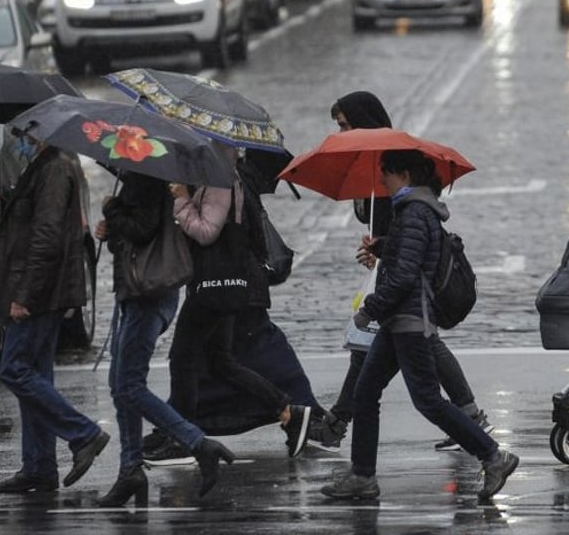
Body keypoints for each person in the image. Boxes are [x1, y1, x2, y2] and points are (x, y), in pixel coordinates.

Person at [321, 149, 519, 503]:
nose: (382, 180)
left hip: (409, 320)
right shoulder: (414, 211)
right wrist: (384, 247)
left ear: (406, 176)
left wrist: (369, 309)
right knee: (365, 394)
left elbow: (405, 276)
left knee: (427, 400)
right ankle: (362, 476)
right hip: (400, 320)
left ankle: (493, 455)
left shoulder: (413, 213)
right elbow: (411, 258)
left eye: (387, 174)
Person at [319, 91, 493, 453]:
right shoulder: (378, 173)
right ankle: (471, 423)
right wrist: (381, 248)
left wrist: (374, 297)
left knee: (417, 385)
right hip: (400, 288)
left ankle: (486, 447)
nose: (341, 131)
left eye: (345, 125)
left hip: (405, 292)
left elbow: (407, 245)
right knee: (391, 367)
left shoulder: (398, 182)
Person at [156, 144, 312, 463]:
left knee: (182, 359)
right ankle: (288, 411)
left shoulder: (219, 180)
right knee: (220, 362)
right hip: (225, 286)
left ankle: (182, 437)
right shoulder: (223, 175)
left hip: (214, 285)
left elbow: (206, 233)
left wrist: (182, 199)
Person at [96, 171, 234, 505]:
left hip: (149, 292)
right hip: (137, 290)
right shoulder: (140, 177)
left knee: (129, 384)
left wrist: (112, 209)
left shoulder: (146, 178)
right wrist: (111, 230)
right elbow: (132, 237)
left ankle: (199, 443)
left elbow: (143, 228)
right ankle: (130, 468)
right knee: (120, 383)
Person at [0, 128, 109, 494]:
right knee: (34, 374)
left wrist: (25, 295)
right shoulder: (40, 166)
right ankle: (39, 466)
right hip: (40, 289)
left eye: (21, 132)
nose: (16, 138)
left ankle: (83, 434)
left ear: (37, 132)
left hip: (41, 292)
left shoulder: (55, 168)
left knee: (15, 369)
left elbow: (47, 235)